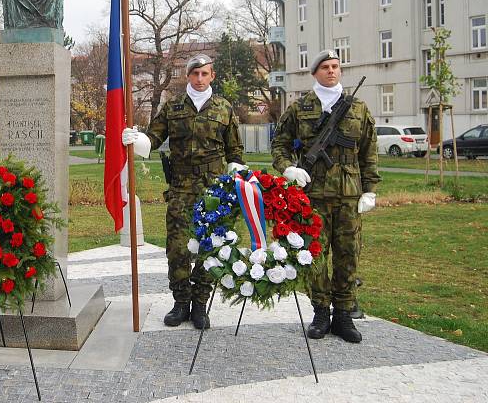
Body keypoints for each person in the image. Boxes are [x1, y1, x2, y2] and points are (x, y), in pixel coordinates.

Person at [122, 54, 246, 329]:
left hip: (214, 195)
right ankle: (181, 303)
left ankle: (200, 304)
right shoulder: (173, 106)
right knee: (177, 249)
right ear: (187, 76)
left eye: (205, 74)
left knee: (208, 248)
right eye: (195, 74)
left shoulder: (224, 108)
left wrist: (236, 170)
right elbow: (154, 138)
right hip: (180, 190)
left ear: (212, 76)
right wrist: (137, 139)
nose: (200, 79)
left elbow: (234, 150)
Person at [271, 50, 380, 343]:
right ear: (315, 72)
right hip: (312, 196)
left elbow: (369, 151)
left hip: (349, 196)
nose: (331, 71)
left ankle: (343, 315)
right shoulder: (299, 108)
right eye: (325, 67)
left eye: (335, 66)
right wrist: (288, 169)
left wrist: (370, 190)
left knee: (347, 256)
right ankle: (320, 312)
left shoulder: (357, 107)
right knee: (314, 256)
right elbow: (279, 145)